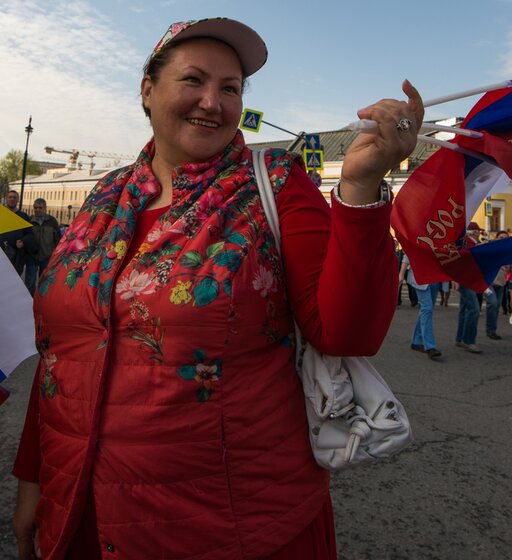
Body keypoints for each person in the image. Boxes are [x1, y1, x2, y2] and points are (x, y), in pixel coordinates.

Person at [12, 18, 423, 560]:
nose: (212, 102)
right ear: (147, 89)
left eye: (230, 89)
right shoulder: (108, 195)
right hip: (80, 515)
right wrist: (34, 482)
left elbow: (346, 331)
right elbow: (61, 353)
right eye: (194, 81)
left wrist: (361, 186)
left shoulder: (274, 181)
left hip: (230, 528)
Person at [400, 252, 442, 360]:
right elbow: (407, 254)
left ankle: (416, 342)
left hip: (434, 277)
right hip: (419, 277)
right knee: (427, 308)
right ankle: (430, 347)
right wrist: (401, 274)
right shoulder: (415, 236)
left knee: (426, 310)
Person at [24, 198, 62, 296]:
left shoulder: (52, 221)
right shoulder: (29, 221)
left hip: (47, 257)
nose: (37, 210)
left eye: (40, 208)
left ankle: (40, 302)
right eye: (35, 208)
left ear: (45, 208)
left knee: (44, 283)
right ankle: (29, 300)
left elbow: (58, 238)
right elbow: (25, 236)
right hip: (32, 256)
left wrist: (56, 255)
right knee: (30, 282)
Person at [455, 222, 482, 353]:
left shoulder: (471, 243)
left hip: (467, 279)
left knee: (464, 308)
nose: (478, 233)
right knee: (474, 308)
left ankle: (460, 338)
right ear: (472, 232)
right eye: (476, 231)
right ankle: (468, 340)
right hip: (465, 279)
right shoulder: (467, 243)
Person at [0, 190, 36, 276]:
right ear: (6, 199)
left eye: (14, 197)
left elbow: (30, 234)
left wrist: (23, 241)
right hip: (1, 254)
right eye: (10, 197)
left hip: (16, 256)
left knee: (13, 281)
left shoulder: (24, 216)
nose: (12, 199)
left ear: (18, 200)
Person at [484, 231, 510, 340]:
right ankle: (489, 329)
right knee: (493, 303)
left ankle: (492, 330)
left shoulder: (509, 252)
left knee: (496, 307)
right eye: (501, 237)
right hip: (489, 282)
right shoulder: (491, 249)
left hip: (501, 283)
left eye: (505, 237)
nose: (502, 239)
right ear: (496, 238)